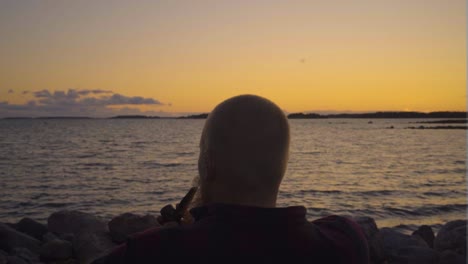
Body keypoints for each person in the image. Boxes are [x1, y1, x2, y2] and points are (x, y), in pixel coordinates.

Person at [94, 94, 369, 263]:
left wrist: (173, 233)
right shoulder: (345, 241)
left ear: (207, 164)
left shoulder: (149, 252)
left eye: (201, 153)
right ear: (281, 167)